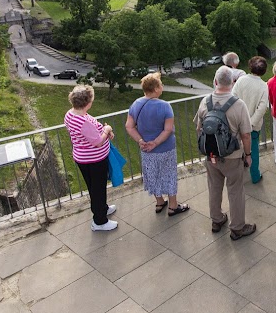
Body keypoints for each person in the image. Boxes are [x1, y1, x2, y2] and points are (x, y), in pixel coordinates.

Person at [194, 66, 256, 240]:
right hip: (233, 157)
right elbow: (245, 135)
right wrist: (248, 155)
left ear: (215, 82)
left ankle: (217, 219)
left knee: (214, 188)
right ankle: (237, 227)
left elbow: (199, 128)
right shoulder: (239, 104)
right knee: (235, 190)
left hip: (211, 156)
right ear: (232, 83)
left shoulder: (205, 101)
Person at [125, 73, 188, 216]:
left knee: (153, 175)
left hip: (146, 150)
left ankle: (159, 202)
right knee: (169, 174)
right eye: (160, 84)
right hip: (166, 149)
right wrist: (156, 142)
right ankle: (173, 206)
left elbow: (129, 126)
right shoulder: (165, 106)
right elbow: (168, 129)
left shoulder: (136, 104)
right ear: (155, 89)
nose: (162, 86)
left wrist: (140, 141)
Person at [63, 85, 117, 231]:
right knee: (98, 189)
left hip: (83, 158)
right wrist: (107, 130)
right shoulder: (83, 121)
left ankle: (102, 209)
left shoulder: (70, 114)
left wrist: (103, 131)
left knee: (94, 188)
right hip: (94, 160)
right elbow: (98, 142)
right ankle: (100, 221)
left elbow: (89, 131)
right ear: (87, 103)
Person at [232, 56, 269, 184]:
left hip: (237, 123)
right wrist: (251, 123)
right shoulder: (263, 86)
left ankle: (237, 177)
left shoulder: (241, 80)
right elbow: (262, 108)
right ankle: (255, 176)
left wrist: (239, 120)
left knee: (237, 150)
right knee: (253, 150)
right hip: (253, 126)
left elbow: (233, 99)